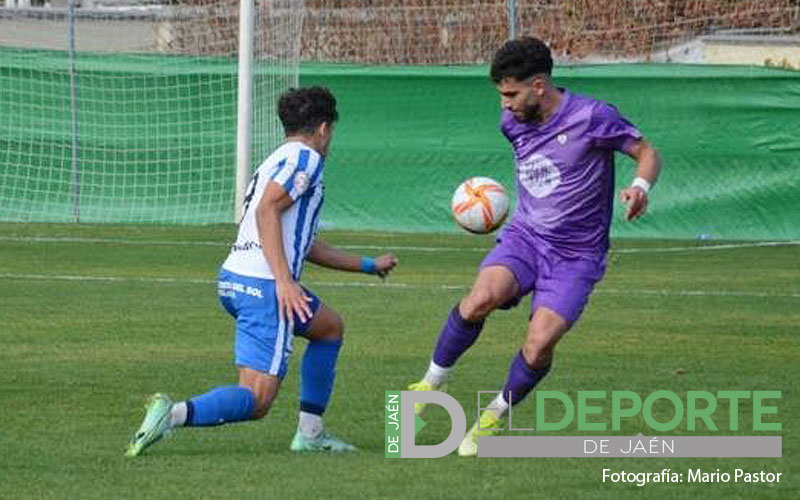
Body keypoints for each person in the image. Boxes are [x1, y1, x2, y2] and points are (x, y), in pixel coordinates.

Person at [408, 37, 661, 457]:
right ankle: (431, 381)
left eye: (511, 94)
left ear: (539, 85)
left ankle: (494, 414)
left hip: (576, 256)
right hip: (526, 237)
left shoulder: (593, 117)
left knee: (539, 343)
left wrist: (639, 186)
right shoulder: (512, 123)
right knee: (479, 300)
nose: (505, 105)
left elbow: (647, 151)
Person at [126, 86, 398, 457]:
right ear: (323, 128)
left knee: (329, 328)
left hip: (238, 279)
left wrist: (368, 265)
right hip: (266, 286)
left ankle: (310, 435)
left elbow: (300, 243)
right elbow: (266, 211)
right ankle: (170, 415)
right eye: (331, 131)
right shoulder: (307, 159)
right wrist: (285, 283)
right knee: (257, 400)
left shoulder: (277, 159)